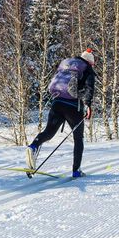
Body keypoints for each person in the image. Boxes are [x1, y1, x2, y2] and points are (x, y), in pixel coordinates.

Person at [26, 48, 96, 178]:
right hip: (74, 106)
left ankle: (33, 146)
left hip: (57, 102)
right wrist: (88, 105)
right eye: (92, 64)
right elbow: (89, 88)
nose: (92, 66)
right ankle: (76, 171)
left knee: (49, 132)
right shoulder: (86, 68)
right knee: (78, 139)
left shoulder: (66, 65)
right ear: (89, 62)